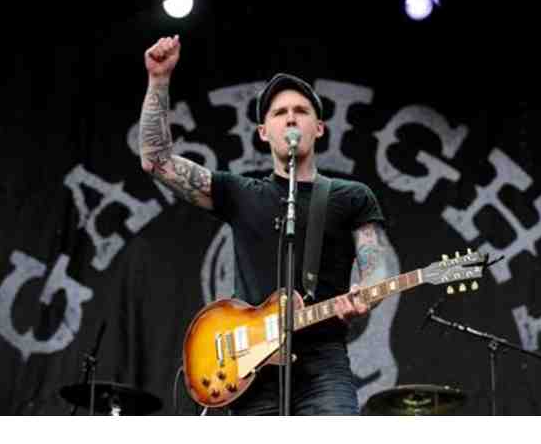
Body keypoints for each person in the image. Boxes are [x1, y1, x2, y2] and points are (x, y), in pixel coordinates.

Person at [138, 35, 390, 415]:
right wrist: (159, 80)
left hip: (323, 363)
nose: (290, 117)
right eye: (279, 112)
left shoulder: (351, 196)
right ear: (263, 131)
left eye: (301, 111)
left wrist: (365, 294)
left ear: (318, 128)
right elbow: (156, 161)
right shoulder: (241, 193)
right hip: (249, 367)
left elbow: (376, 265)